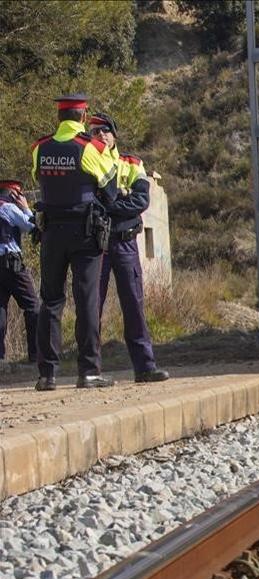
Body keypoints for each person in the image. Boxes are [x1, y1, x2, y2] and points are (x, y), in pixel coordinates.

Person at [30, 93, 119, 391]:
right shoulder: (90, 148)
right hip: (85, 234)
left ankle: (47, 375)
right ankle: (89, 371)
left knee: (50, 301)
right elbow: (111, 193)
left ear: (59, 118)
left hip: (51, 234)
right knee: (87, 301)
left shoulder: (39, 148)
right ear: (82, 117)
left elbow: (39, 180)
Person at [88, 113, 169, 383]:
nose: (101, 135)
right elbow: (89, 204)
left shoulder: (132, 163)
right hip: (95, 245)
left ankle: (145, 367)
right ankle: (90, 371)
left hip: (124, 243)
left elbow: (140, 201)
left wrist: (109, 205)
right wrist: (121, 199)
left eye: (106, 130)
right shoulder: (85, 161)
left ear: (114, 135)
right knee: (91, 307)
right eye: (95, 131)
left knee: (134, 305)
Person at [0, 180, 39, 364]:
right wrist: (26, 208)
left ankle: (0, 358)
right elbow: (32, 226)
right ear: (13, 194)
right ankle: (36, 354)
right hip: (11, 264)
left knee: (0, 310)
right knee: (33, 306)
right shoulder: (9, 208)